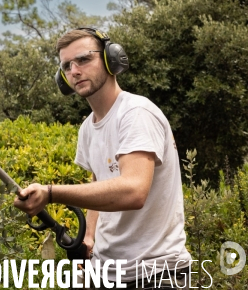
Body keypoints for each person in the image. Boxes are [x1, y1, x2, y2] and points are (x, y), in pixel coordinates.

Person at [14, 28, 192, 289]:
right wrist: (88, 239)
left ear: (111, 59)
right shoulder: (88, 128)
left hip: (155, 273)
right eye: (67, 66)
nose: (74, 70)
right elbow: (101, 182)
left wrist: (51, 193)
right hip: (107, 271)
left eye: (84, 59)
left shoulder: (136, 114)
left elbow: (134, 191)